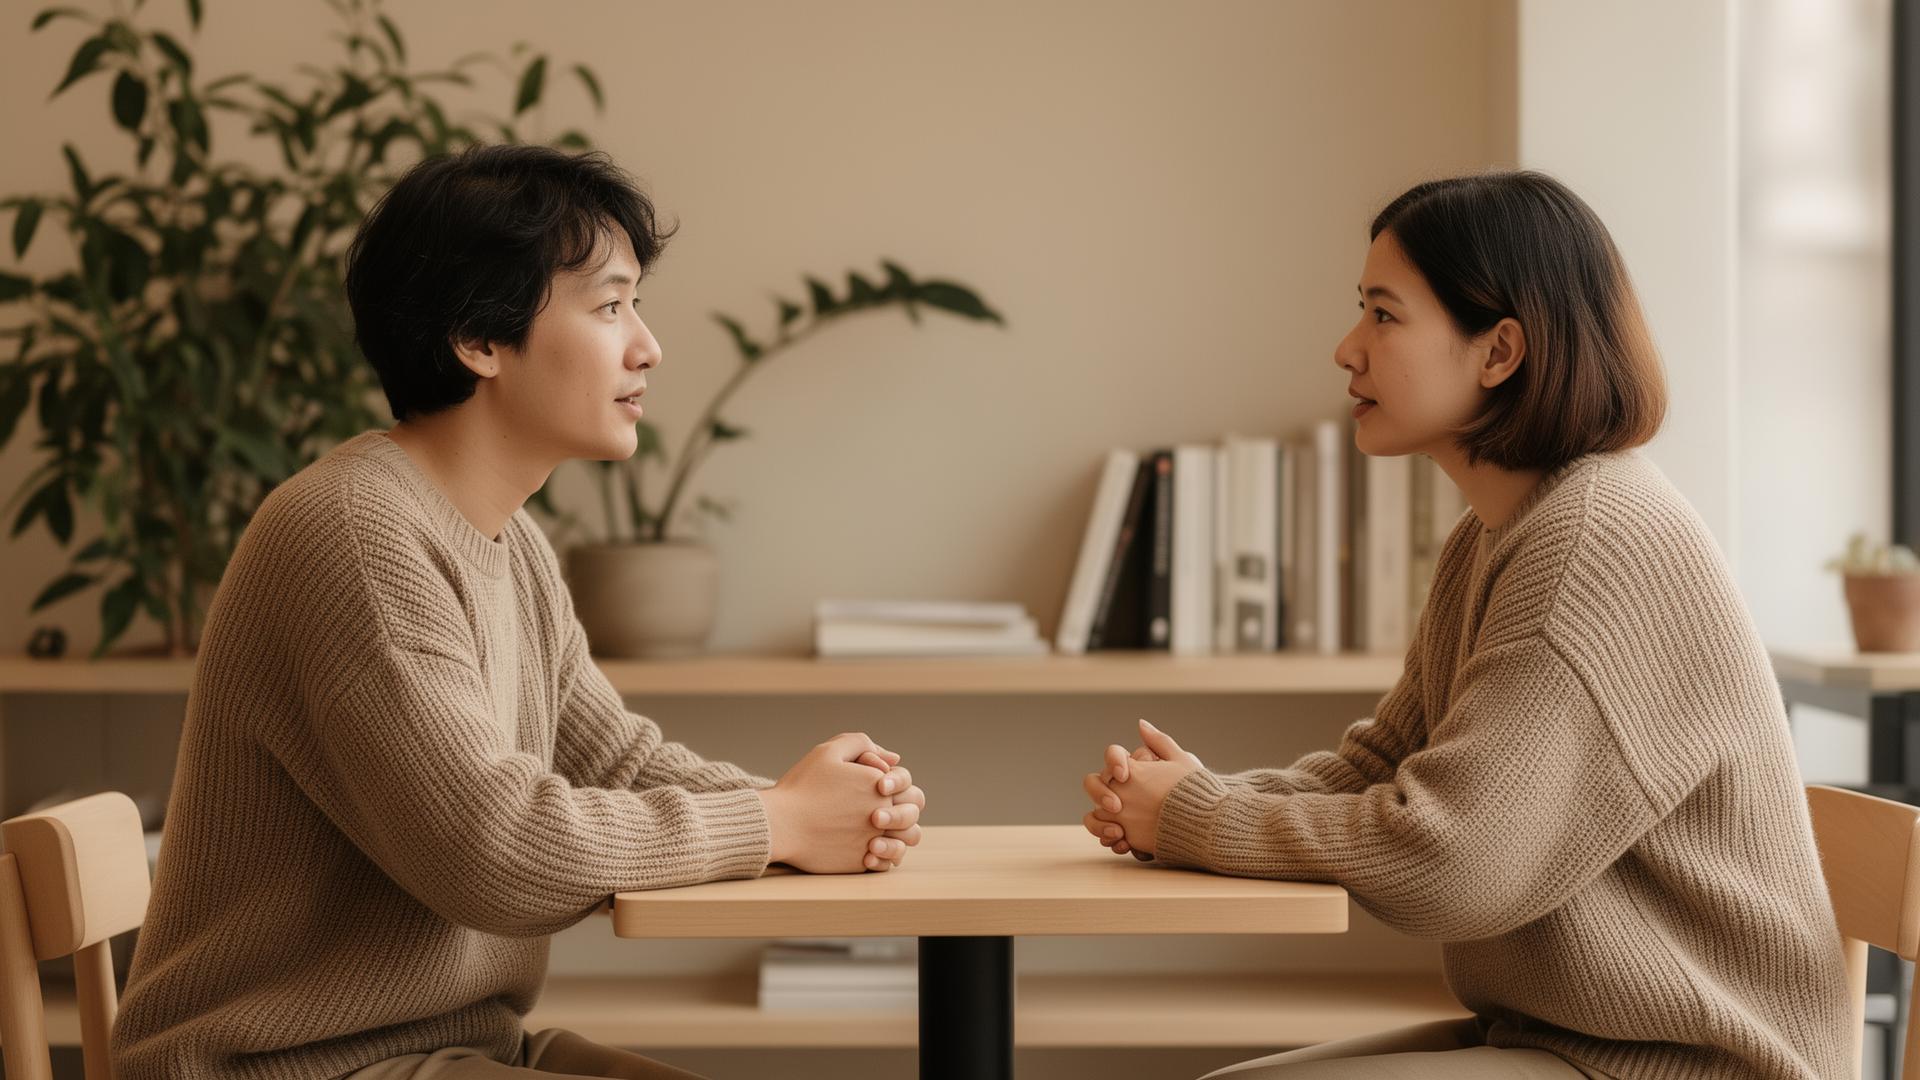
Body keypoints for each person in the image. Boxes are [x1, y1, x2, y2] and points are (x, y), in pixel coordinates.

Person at [111, 144, 926, 1080]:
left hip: (451, 1050)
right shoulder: (352, 532)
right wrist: (777, 823)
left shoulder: (508, 541)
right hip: (286, 1066)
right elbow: (492, 848)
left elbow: (617, 762)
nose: (647, 345)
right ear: (479, 339)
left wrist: (830, 811)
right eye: (610, 305)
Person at [1081, 171, 1851, 1079]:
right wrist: (1199, 796)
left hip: (1690, 1064)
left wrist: (1201, 820)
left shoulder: (1591, 545)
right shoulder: (1499, 536)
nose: (1346, 349)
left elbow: (1452, 862)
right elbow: (1385, 765)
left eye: (1384, 314)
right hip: (1570, 1042)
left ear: (1499, 352)